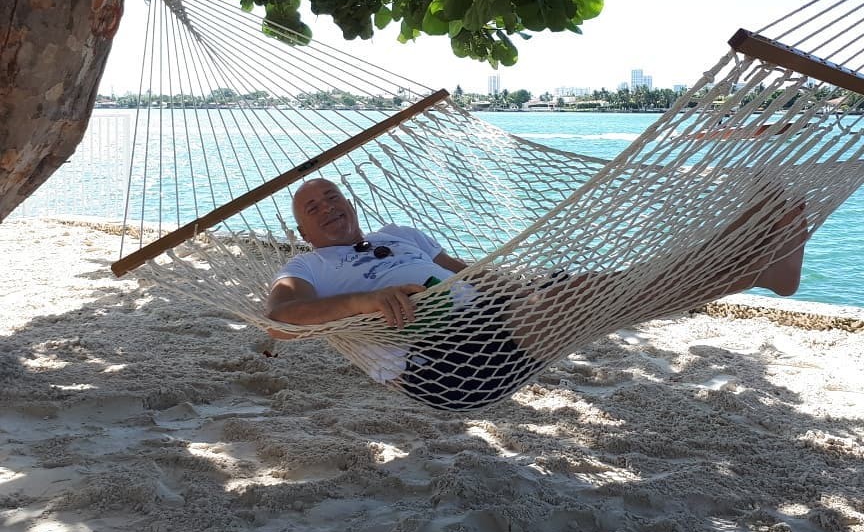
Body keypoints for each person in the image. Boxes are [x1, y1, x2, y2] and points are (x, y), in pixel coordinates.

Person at [266, 178, 807, 410]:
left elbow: (468, 274)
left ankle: (750, 262)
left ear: (350, 203)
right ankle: (745, 257)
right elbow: (280, 319)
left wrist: (523, 288)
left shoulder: (399, 234)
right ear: (302, 231)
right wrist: (363, 302)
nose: (327, 208)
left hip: (493, 320)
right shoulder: (307, 267)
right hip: (445, 367)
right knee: (581, 297)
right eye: (313, 208)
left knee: (588, 289)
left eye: (332, 197)